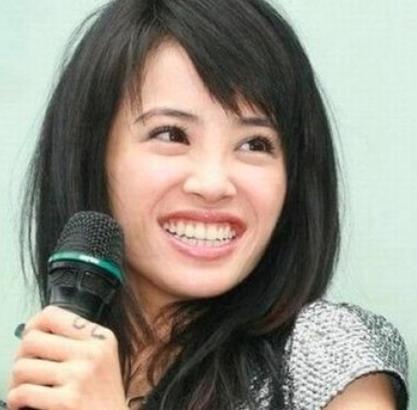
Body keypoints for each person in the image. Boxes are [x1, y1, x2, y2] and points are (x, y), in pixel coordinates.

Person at [6, 0, 408, 409]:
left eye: (255, 144)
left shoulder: (326, 353)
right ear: (90, 156)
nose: (213, 184)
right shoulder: (53, 384)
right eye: (171, 135)